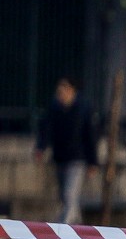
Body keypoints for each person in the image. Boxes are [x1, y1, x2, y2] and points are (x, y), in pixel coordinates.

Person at [34, 77, 98, 225]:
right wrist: (40, 148)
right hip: (60, 158)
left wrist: (92, 162)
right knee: (66, 197)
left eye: (63, 91)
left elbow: (90, 136)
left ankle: (65, 234)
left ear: (71, 91)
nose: (61, 95)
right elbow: (46, 130)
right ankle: (77, 229)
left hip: (77, 159)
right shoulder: (55, 108)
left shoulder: (83, 108)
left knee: (69, 195)